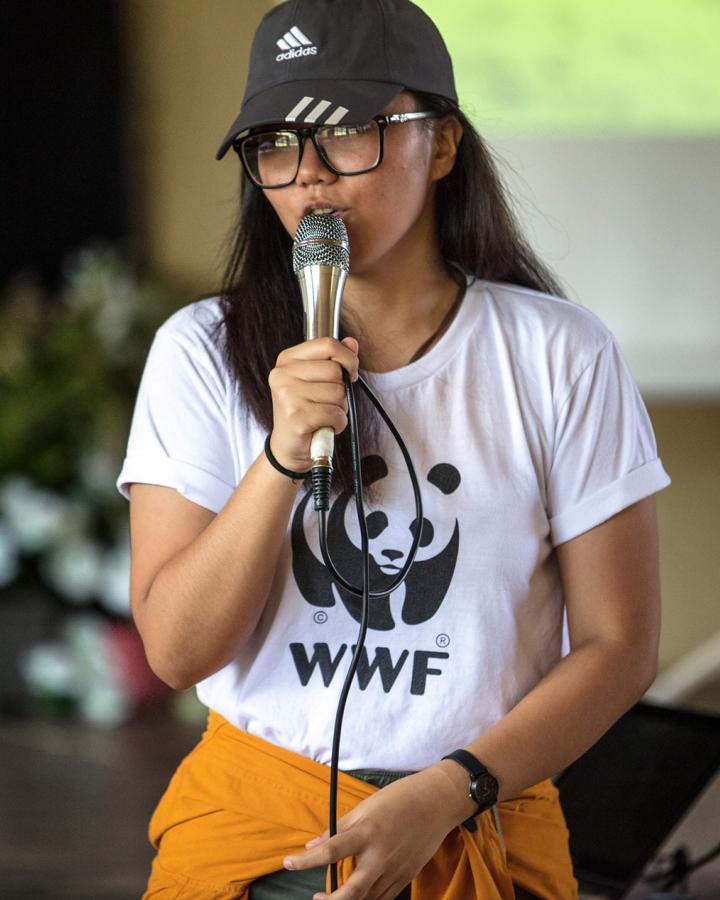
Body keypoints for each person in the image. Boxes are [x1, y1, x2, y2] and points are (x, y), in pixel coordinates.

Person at [117, 1, 671, 898]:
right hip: (260, 832)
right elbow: (178, 653)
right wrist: (282, 456)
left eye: (349, 136)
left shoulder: (558, 353)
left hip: (479, 820)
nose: (309, 181)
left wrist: (451, 792)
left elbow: (618, 644)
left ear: (442, 145)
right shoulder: (200, 349)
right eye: (276, 146)